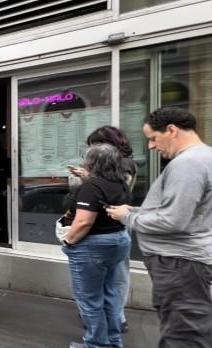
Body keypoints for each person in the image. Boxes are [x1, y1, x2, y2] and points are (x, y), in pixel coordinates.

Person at [107, 107, 212, 347]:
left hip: (178, 262)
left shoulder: (187, 164)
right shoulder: (205, 157)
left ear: (172, 130)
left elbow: (173, 221)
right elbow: (188, 213)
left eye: (153, 138)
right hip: (186, 260)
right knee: (190, 323)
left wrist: (127, 217)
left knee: (183, 333)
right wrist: (136, 211)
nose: (152, 146)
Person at [61, 143, 132, 348]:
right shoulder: (121, 183)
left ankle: (97, 344)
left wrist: (68, 241)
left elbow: (84, 222)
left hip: (93, 246)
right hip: (118, 240)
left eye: (87, 159)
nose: (84, 162)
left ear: (93, 163)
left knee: (90, 299)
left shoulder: (90, 187)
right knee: (110, 295)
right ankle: (113, 341)